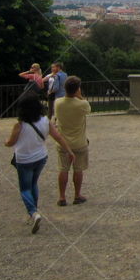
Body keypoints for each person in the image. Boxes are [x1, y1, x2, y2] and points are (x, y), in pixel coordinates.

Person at [5, 94, 75, 234]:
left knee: (25, 188)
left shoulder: (19, 125)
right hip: (40, 157)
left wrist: (5, 142)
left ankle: (33, 212)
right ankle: (34, 210)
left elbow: (10, 143)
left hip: (24, 159)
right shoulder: (45, 121)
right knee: (33, 183)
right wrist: (69, 151)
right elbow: (58, 136)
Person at [53, 75, 90, 206]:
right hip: (79, 142)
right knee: (78, 169)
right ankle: (77, 195)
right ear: (77, 89)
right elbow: (88, 110)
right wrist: (79, 96)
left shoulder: (58, 103)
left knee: (63, 169)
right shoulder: (82, 104)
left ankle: (62, 197)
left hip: (63, 142)